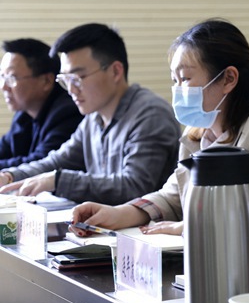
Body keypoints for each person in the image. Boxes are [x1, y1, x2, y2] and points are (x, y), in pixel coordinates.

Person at [69, 18, 249, 236]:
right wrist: (117, 213)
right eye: (175, 80)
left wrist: (183, 228)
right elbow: (173, 196)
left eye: (186, 78)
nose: (178, 90)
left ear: (228, 78)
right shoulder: (198, 132)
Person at [0, 23, 181, 205]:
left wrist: (58, 180)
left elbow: (134, 187)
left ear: (115, 71)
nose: (71, 90)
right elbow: (55, 162)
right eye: (66, 79)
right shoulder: (93, 118)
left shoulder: (150, 115)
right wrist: (10, 176)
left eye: (77, 78)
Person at [0, 39, 83, 168]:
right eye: (2, 77)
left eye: (12, 78)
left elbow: (42, 163)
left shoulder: (68, 113)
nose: (4, 87)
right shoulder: (24, 114)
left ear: (46, 81)